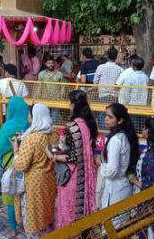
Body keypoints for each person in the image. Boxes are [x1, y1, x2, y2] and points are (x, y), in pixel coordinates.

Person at [52, 90, 98, 228]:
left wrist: (55, 156)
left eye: (69, 102)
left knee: (69, 208)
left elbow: (72, 157)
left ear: (73, 105)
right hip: (86, 173)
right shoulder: (89, 123)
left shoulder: (72, 127)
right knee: (82, 209)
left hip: (73, 175)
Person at [13, 103, 58, 238]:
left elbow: (21, 165)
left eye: (29, 113)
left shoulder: (31, 138)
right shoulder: (53, 134)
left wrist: (16, 149)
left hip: (34, 183)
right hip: (49, 179)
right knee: (46, 211)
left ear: (35, 116)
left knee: (33, 215)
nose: (28, 116)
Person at [0, 97, 29, 236]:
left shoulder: (8, 126)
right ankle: (25, 223)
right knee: (23, 195)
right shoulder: (29, 125)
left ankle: (13, 228)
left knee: (10, 195)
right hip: (25, 163)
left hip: (10, 164)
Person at [99, 103, 139, 209]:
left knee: (114, 223)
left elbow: (112, 171)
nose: (105, 119)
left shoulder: (116, 140)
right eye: (106, 115)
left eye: (110, 117)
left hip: (115, 189)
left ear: (120, 120)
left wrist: (101, 164)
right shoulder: (125, 135)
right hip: (123, 187)